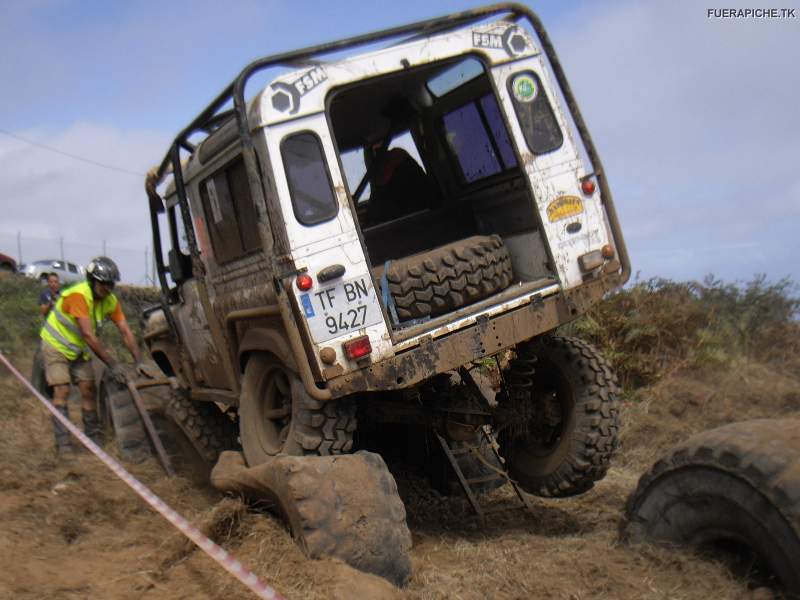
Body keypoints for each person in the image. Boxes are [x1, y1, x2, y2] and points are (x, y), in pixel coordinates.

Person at [39, 256, 142, 454]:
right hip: (55, 346)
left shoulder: (111, 301)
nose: (107, 288)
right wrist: (113, 364)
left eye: (110, 284)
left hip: (77, 350)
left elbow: (125, 331)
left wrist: (138, 360)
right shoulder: (79, 296)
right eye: (103, 284)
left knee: (88, 390)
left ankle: (94, 441)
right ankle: (64, 446)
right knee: (62, 391)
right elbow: (88, 335)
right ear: (92, 281)